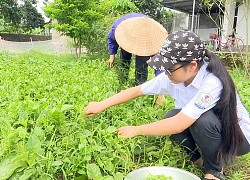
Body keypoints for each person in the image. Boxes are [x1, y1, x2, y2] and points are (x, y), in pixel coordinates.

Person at [84, 30, 250, 180]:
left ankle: (215, 171)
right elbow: (136, 91)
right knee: (170, 116)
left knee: (199, 120)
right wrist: (101, 104)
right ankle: (200, 160)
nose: (166, 73)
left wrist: (137, 130)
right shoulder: (172, 76)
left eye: (169, 68)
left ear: (192, 66)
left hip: (238, 137)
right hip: (215, 130)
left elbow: (178, 125)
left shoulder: (212, 82)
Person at [107, 13, 167, 85]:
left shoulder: (152, 38)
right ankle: (122, 82)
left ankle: (139, 87)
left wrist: (161, 91)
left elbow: (159, 65)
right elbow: (111, 39)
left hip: (146, 38)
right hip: (129, 32)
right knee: (124, 60)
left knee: (142, 65)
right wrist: (112, 55)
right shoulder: (119, 28)